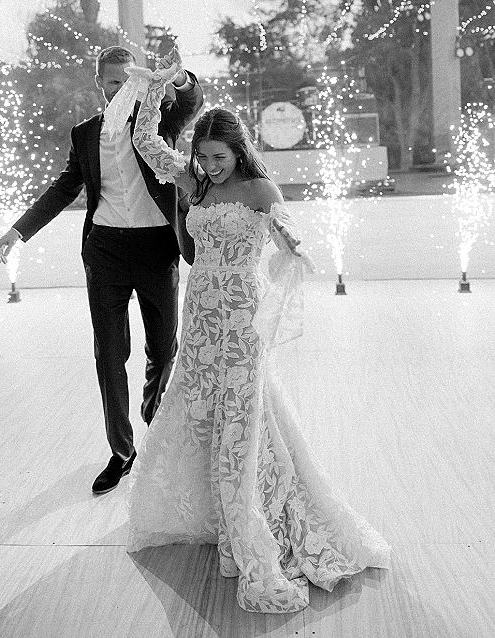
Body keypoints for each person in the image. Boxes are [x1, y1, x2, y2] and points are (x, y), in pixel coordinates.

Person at [125, 60, 391, 614]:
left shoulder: (258, 187)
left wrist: (293, 242)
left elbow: (283, 224)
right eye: (203, 157)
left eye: (219, 158)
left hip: (242, 315)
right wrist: (157, 87)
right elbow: (147, 143)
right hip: (201, 313)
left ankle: (248, 513)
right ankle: (209, 511)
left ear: (239, 150)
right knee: (200, 405)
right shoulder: (195, 180)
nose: (209, 167)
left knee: (242, 409)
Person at [0, 46, 203, 494]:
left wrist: (177, 77)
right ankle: (122, 451)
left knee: (163, 347)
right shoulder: (85, 133)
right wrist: (18, 230)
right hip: (105, 249)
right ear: (100, 84)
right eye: (114, 81)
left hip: (156, 247)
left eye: (130, 80)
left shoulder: (157, 122)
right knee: (108, 353)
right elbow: (63, 188)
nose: (123, 88)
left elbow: (191, 101)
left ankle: (154, 415)